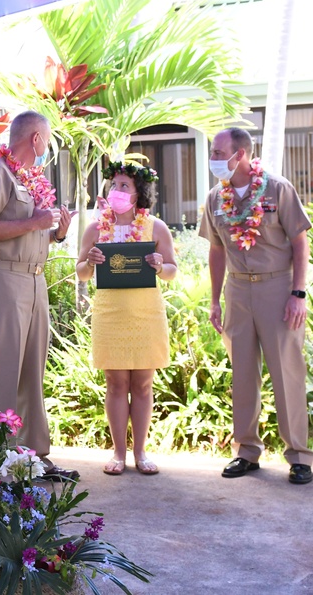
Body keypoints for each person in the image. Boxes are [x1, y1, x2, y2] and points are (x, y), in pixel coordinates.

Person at [0, 110, 78, 481]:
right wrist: (34, 222)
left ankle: (33, 458)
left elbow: (30, 232)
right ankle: (0, 462)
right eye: (46, 139)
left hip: (34, 280)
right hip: (3, 280)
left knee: (32, 371)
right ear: (35, 139)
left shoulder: (29, 178)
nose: (47, 147)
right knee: (4, 371)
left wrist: (56, 233)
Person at [200, 127, 313, 486]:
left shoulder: (278, 188)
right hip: (237, 291)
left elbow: (299, 243)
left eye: (220, 152)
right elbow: (216, 250)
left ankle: (298, 455)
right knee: (243, 373)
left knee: (287, 372)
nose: (215, 159)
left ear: (242, 154)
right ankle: (246, 451)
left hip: (277, 289)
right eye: (213, 153)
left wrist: (299, 294)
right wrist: (215, 300)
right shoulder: (216, 197)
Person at [75, 161, 176, 476]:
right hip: (110, 313)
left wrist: (160, 265)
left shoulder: (155, 227)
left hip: (145, 313)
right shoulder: (95, 229)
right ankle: (118, 453)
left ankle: (140, 452)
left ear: (138, 194)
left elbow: (172, 272)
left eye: (124, 186)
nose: (116, 191)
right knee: (116, 383)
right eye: (113, 185)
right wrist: (89, 262)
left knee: (143, 385)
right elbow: (80, 272)